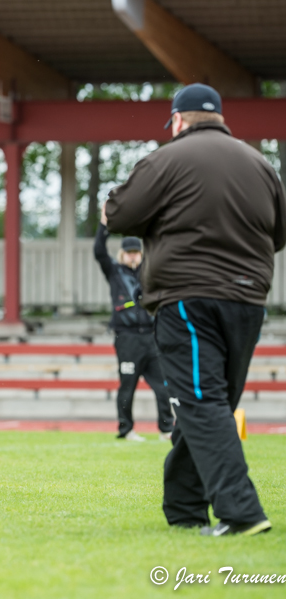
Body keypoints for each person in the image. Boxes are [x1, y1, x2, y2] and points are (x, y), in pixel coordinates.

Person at [105, 83, 285, 537]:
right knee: (211, 402)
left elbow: (119, 215)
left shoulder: (166, 159)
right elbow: (279, 233)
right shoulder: (261, 164)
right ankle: (184, 507)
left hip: (188, 299)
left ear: (178, 120)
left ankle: (241, 513)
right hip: (248, 301)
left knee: (202, 403)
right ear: (220, 118)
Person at [93, 223, 173, 442]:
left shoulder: (149, 270)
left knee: (163, 386)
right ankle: (126, 429)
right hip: (126, 337)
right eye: (129, 253)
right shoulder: (114, 271)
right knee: (127, 386)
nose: (132, 257)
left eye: (136, 252)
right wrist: (104, 226)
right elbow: (99, 251)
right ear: (122, 254)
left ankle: (166, 429)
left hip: (151, 336)